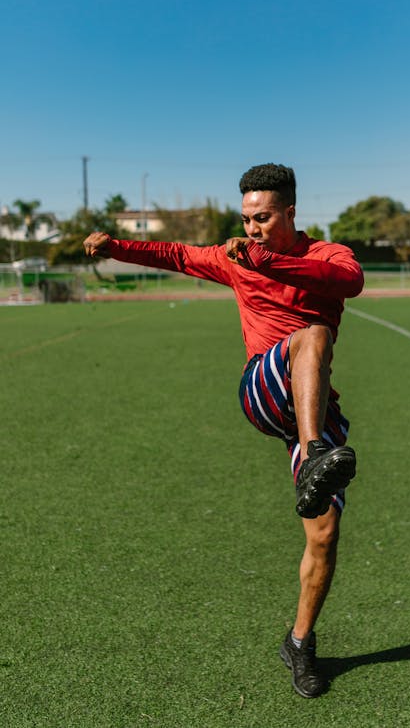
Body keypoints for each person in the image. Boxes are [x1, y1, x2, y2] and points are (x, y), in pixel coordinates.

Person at [83, 163, 364, 698]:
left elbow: (350, 281)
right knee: (314, 335)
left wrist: (272, 263)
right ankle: (314, 450)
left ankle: (299, 643)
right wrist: (115, 245)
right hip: (261, 389)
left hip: (311, 405)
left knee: (324, 535)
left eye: (262, 218)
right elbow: (173, 254)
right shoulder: (237, 257)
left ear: (290, 212)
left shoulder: (327, 255)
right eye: (246, 219)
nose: (252, 228)